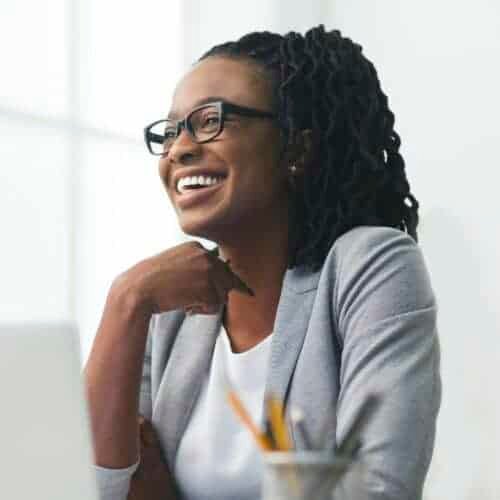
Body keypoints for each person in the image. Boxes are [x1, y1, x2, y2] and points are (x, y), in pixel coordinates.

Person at [84, 25, 441, 500]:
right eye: (170, 132)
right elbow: (90, 489)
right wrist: (124, 300)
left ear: (296, 148)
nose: (180, 149)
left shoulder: (371, 267)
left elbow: (377, 491)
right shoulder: (166, 305)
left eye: (211, 120)